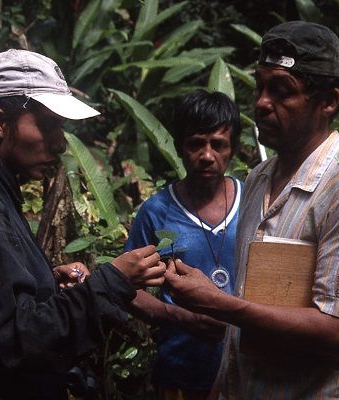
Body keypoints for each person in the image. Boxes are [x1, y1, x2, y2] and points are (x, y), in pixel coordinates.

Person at [0, 49, 167, 399]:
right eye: (48, 124)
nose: (60, 142)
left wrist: (45, 282)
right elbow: (19, 340)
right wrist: (113, 282)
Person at [163, 21, 339, 399]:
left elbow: (338, 329)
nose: (262, 103)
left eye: (282, 91)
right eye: (261, 86)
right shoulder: (258, 179)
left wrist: (220, 304)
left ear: (329, 101)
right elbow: (249, 306)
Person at [125, 89, 242, 399]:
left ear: (234, 148)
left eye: (218, 145)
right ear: (179, 147)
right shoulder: (157, 211)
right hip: (180, 371)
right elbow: (127, 289)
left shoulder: (254, 203)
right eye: (195, 144)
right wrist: (182, 317)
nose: (206, 156)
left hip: (247, 371)